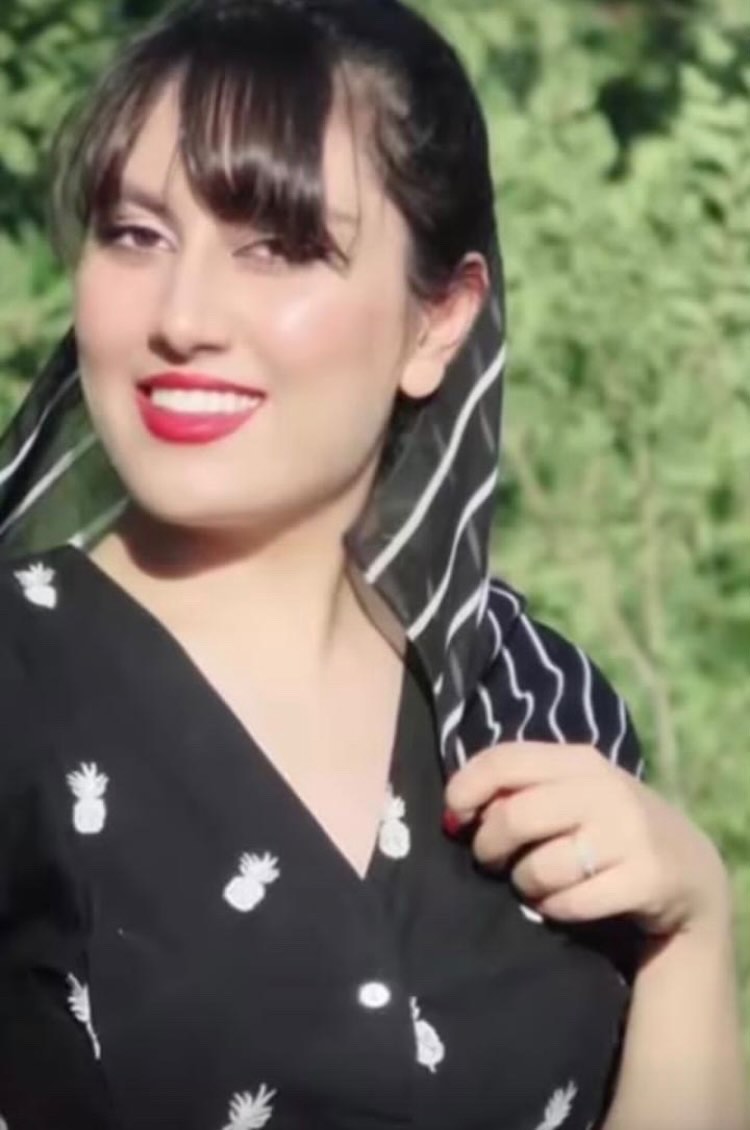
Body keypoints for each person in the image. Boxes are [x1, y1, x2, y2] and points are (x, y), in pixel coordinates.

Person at [0, 0, 747, 1127]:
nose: (183, 316)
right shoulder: (22, 689)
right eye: (137, 235)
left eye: (279, 245)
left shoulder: (530, 701)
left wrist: (692, 929)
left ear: (437, 322)